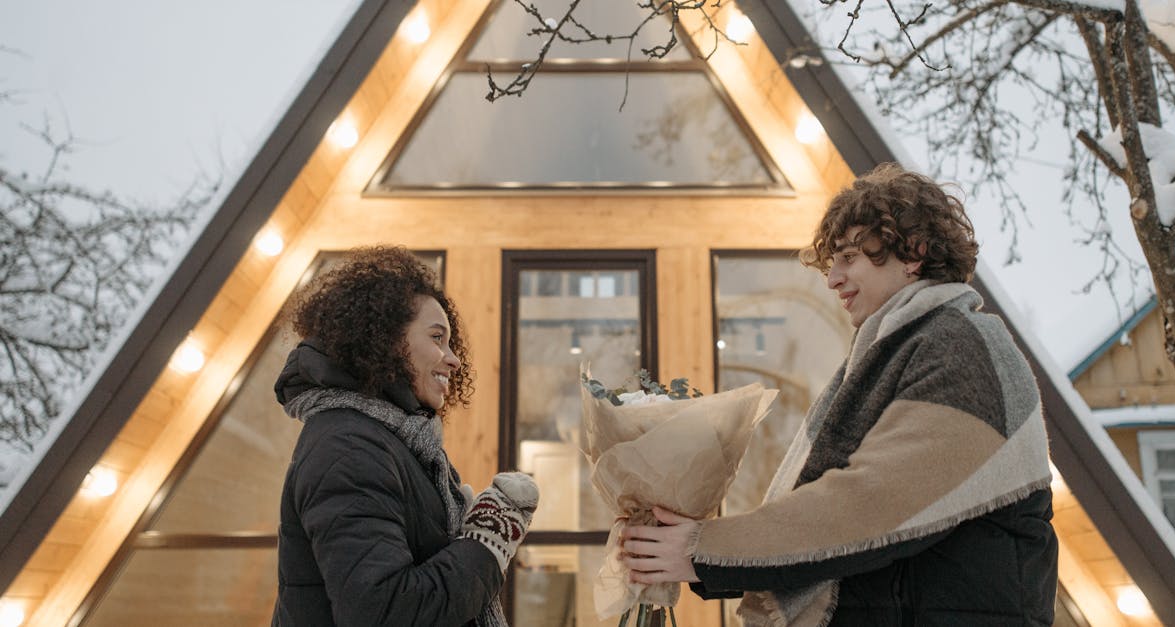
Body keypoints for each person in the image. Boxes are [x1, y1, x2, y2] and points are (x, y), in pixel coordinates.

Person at [621, 163, 1058, 625]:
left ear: (913, 253)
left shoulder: (962, 348)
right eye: (833, 262)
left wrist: (705, 549)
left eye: (850, 257)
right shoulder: (900, 349)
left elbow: (871, 504)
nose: (832, 279)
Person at [271, 246, 538, 627]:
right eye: (436, 338)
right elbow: (386, 611)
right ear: (384, 340)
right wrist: (485, 544)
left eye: (450, 342)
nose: (454, 359)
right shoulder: (348, 448)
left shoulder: (392, 443)